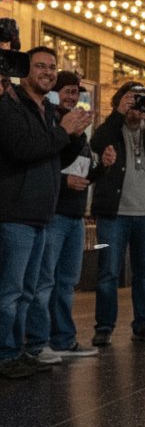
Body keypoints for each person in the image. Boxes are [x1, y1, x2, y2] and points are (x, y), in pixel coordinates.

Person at [0, 48, 93, 377]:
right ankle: (5, 354)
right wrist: (64, 131)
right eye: (40, 66)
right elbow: (23, 149)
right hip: (15, 213)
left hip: (42, 213)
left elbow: (55, 155)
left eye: (52, 67)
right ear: (25, 71)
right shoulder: (10, 106)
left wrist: (75, 136)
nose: (48, 72)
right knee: (10, 292)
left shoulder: (47, 110)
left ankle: (20, 350)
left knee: (27, 291)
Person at [24, 71, 115, 358]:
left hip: (75, 216)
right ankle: (37, 342)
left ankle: (63, 339)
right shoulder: (50, 123)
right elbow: (44, 165)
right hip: (53, 214)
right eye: (67, 91)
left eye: (76, 93)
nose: (72, 98)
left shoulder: (77, 129)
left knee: (66, 282)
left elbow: (82, 174)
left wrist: (103, 167)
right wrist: (65, 182)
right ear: (54, 93)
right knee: (44, 282)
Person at [90, 81, 145, 345]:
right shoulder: (112, 129)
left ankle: (143, 324)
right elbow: (97, 142)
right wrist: (119, 112)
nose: (136, 106)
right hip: (113, 215)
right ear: (120, 101)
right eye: (131, 99)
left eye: (141, 100)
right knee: (108, 272)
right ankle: (104, 327)